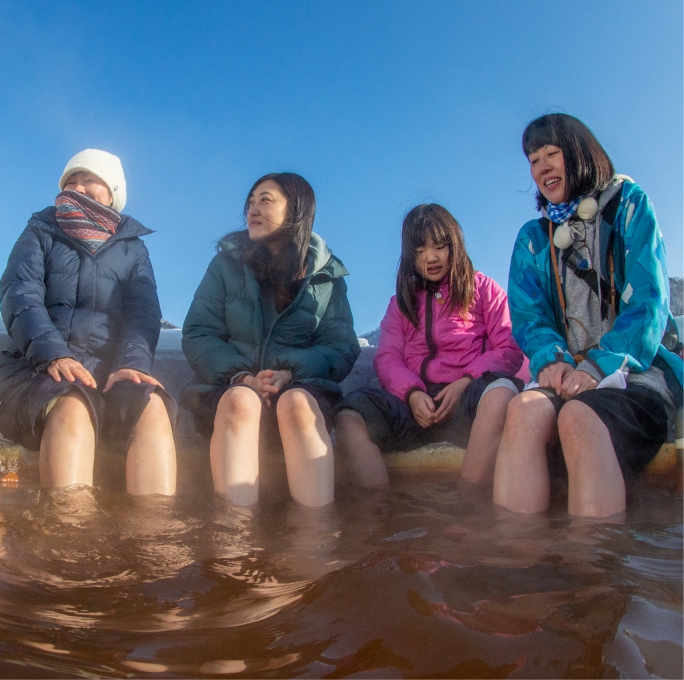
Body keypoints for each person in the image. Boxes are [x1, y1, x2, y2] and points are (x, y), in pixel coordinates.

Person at [494, 113, 683, 518]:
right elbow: (529, 316)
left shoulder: (631, 206)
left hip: (636, 374)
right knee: (523, 410)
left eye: (551, 153)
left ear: (579, 154)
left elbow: (649, 302)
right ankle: (512, 563)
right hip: (568, 374)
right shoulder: (533, 237)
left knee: (580, 417)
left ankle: (594, 574)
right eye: (532, 159)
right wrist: (552, 359)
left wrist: (600, 366)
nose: (540, 166)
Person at [0, 149, 177, 495]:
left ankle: (154, 537)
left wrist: (130, 365)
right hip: (39, 366)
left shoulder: (133, 249)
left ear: (112, 193)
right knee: (73, 404)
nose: (78, 186)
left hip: (109, 372)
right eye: (71, 181)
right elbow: (19, 294)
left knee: (151, 407)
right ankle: (70, 536)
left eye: (90, 180)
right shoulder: (40, 231)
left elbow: (144, 312)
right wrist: (54, 355)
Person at [181, 172, 358, 507]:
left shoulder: (326, 276)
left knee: (298, 404)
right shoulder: (225, 265)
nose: (252, 210)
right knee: (240, 401)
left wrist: (290, 374)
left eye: (265, 200)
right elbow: (199, 332)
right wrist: (242, 377)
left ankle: (315, 540)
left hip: (298, 387)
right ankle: (233, 540)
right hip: (227, 387)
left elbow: (341, 345)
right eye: (250, 202)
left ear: (296, 211)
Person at [335, 204, 525, 488]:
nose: (431, 258)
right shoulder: (400, 304)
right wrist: (411, 393)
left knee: (500, 395)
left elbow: (508, 349)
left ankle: (469, 500)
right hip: (414, 404)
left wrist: (465, 382)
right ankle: (377, 514)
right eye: (420, 250)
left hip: (469, 400)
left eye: (439, 246)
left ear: (455, 246)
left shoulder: (484, 289)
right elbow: (387, 357)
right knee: (349, 416)